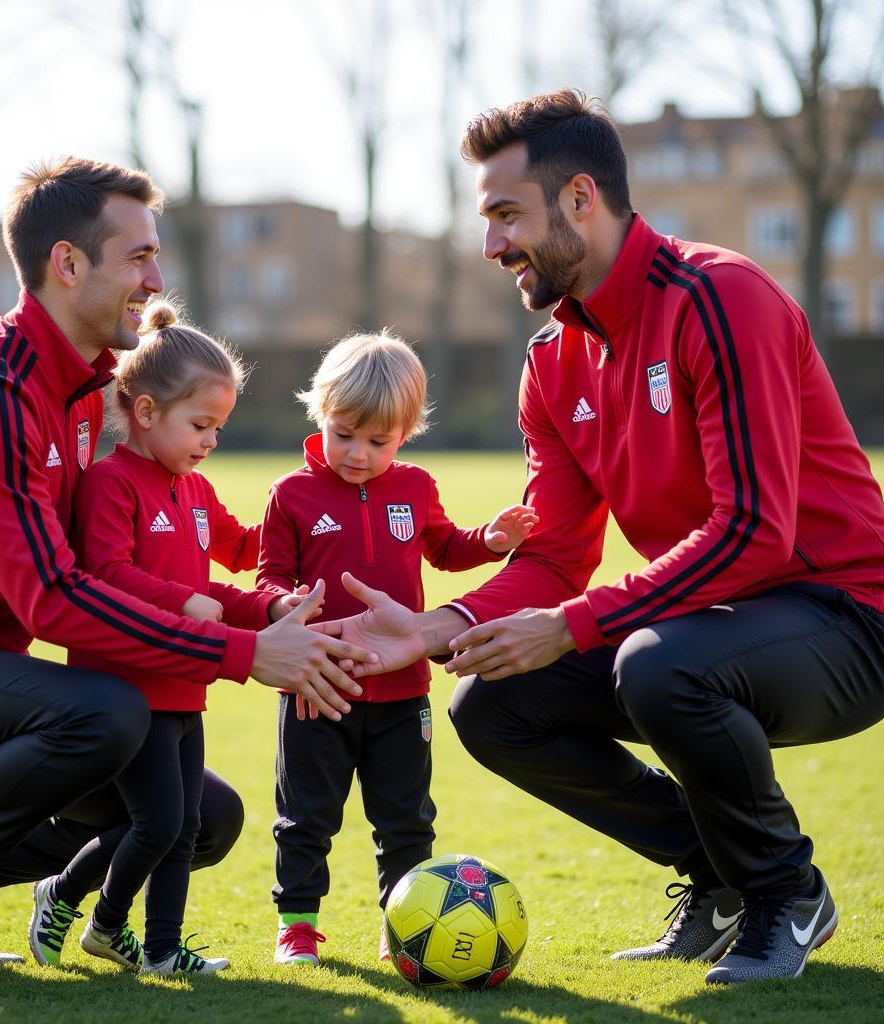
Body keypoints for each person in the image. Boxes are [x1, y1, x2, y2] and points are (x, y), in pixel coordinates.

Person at [315, 90, 884, 985]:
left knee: (656, 664)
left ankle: (788, 891)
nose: (492, 243)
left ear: (581, 199)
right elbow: (553, 553)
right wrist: (439, 625)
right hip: (717, 622)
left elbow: (754, 532)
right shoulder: (550, 362)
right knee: (495, 704)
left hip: (848, 619)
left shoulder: (719, 297)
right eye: (487, 218)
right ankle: (719, 878)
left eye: (507, 215)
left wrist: (575, 625)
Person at [0, 157, 371, 987]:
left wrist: (263, 616)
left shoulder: (79, 392)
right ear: (68, 264)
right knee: (106, 711)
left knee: (199, 817)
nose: (156, 278)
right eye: (137, 257)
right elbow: (54, 598)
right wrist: (242, 656)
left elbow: (121, 568)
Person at [27, 299, 306, 977]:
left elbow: (230, 572)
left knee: (179, 828)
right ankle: (71, 901)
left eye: (218, 428)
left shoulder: (194, 490)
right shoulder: (110, 484)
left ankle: (157, 950)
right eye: (201, 425)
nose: (210, 441)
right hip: (128, 690)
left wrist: (271, 606)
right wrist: (187, 600)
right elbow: (105, 574)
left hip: (188, 687)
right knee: (156, 823)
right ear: (146, 413)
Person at [257, 330, 537, 966]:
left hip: (403, 688)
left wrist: (490, 540)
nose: (358, 454)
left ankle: (402, 927)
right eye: (344, 433)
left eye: (378, 442)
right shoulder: (291, 494)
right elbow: (268, 577)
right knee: (306, 818)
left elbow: (445, 548)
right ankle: (297, 927)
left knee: (406, 819)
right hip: (319, 687)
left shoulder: (414, 486)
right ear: (319, 413)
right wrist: (289, 603)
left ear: (405, 433)